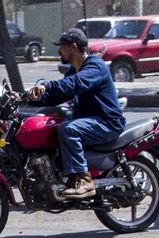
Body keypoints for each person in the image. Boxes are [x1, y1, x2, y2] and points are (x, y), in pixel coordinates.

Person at [27, 28, 126, 199]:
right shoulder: (75, 69)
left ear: (73, 47)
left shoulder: (95, 66)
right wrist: (26, 99)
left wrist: (47, 85)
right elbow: (59, 95)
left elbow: (75, 84)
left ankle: (84, 180)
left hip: (107, 122)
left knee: (68, 129)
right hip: (90, 120)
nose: (59, 51)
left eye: (62, 47)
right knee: (52, 127)